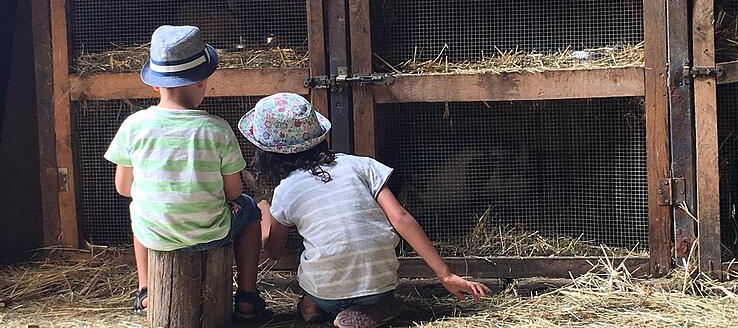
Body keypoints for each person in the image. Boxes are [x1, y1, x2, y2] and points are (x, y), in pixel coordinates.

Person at [238, 93, 490, 328]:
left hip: (323, 291)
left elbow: (273, 251)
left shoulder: (286, 190)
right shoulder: (362, 166)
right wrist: (445, 274)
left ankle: (315, 306)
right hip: (376, 286)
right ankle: (375, 308)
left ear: (268, 153)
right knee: (379, 293)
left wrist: (265, 210)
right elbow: (401, 219)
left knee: (312, 278)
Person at [104, 25, 269, 321]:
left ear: (154, 84)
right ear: (203, 81)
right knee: (250, 210)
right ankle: (246, 295)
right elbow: (232, 192)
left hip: (157, 234)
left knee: (140, 208)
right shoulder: (217, 129)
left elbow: (123, 187)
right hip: (211, 232)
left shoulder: (134, 126)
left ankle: (145, 292)